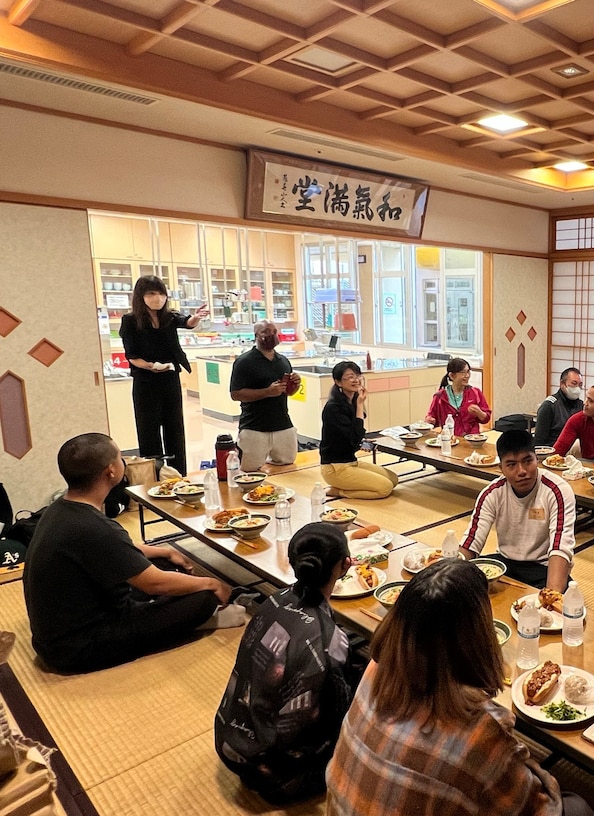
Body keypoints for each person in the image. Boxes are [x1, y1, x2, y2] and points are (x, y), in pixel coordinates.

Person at [325, 558, 592, 816]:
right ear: (478, 637)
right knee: (577, 806)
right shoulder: (481, 731)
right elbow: (537, 808)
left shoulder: (375, 670)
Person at [23, 433, 234, 673]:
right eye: (120, 456)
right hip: (80, 647)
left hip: (58, 637)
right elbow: (155, 585)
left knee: (166, 564)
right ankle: (205, 617)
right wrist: (211, 583)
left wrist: (162, 550)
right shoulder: (95, 526)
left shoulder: (61, 509)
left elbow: (110, 550)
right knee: (201, 598)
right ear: (111, 471)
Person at [215, 523, 357, 803]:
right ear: (346, 565)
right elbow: (342, 714)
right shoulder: (332, 642)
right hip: (276, 773)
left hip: (228, 739)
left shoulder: (273, 600)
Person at [459, 430, 576, 591]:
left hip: (543, 566)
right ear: (501, 468)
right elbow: (472, 540)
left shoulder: (557, 490)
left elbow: (560, 546)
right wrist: (452, 577)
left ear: (537, 459)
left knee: (568, 599)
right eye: (511, 464)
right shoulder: (492, 493)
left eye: (527, 461)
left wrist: (550, 598)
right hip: (505, 562)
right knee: (465, 580)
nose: (521, 471)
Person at [119, 274, 209, 476]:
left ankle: (179, 475)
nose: (157, 298)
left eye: (161, 293)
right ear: (141, 296)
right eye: (152, 293)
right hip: (145, 381)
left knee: (175, 428)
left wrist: (196, 317)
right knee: (148, 430)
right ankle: (154, 476)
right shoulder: (130, 320)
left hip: (170, 378)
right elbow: (131, 355)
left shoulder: (168, 316)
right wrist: (150, 366)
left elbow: (187, 322)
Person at [229, 320, 300, 472]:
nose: (271, 335)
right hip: (254, 426)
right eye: (266, 332)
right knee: (249, 470)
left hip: (282, 423)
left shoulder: (283, 361)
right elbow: (235, 394)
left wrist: (295, 385)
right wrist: (267, 392)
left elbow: (288, 392)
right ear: (256, 335)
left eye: (274, 331)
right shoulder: (244, 362)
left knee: (287, 465)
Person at [320, 361, 397, 499]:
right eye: (350, 377)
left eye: (357, 375)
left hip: (351, 462)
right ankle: (338, 491)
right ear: (338, 382)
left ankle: (344, 485)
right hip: (335, 467)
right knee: (384, 488)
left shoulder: (352, 401)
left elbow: (356, 437)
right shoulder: (333, 408)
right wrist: (360, 404)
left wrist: (363, 442)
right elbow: (354, 437)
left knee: (393, 479)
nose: (355, 380)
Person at [425, 357, 491, 436]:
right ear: (452, 375)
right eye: (463, 372)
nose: (467, 376)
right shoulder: (440, 397)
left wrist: (479, 412)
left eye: (468, 372)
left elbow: (486, 419)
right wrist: (430, 420)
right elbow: (432, 418)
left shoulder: (475, 393)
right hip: (449, 439)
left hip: (472, 439)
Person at [533, 368, 584, 448]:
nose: (577, 388)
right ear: (562, 384)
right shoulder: (550, 405)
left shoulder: (582, 405)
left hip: (576, 453)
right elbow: (539, 441)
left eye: (580, 385)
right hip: (553, 452)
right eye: (574, 383)